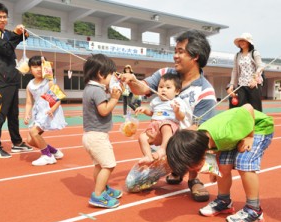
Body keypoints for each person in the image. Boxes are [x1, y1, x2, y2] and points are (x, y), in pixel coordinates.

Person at [120, 29, 217, 202]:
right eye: (175, 51)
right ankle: (176, 169)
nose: (175, 56)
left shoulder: (206, 91)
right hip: (162, 140)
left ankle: (193, 178)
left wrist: (172, 146)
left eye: (180, 52)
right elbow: (143, 88)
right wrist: (133, 81)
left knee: (201, 138)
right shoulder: (165, 74)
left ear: (195, 56)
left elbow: (201, 130)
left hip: (183, 144)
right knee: (134, 183)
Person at [166, 104, 273, 222]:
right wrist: (214, 169)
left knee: (244, 162)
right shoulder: (203, 140)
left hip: (257, 126)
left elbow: (248, 108)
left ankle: (254, 210)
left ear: (200, 154)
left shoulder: (226, 133)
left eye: (193, 167)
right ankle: (224, 201)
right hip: (237, 131)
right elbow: (215, 149)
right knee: (223, 166)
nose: (195, 171)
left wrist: (249, 136)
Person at [0, 2, 32, 158]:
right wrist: (15, 34)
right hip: (3, 79)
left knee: (13, 114)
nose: (2, 19)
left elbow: (16, 40)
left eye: (5, 17)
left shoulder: (6, 33)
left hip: (13, 77)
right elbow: (6, 49)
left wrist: (22, 34)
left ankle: (17, 143)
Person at [82, 54, 122, 208]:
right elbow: (104, 110)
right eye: (111, 75)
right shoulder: (97, 90)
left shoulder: (89, 88)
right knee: (109, 165)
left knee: (99, 165)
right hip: (97, 136)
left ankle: (103, 189)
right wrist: (114, 99)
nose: (111, 78)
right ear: (100, 73)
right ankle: (98, 195)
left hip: (90, 135)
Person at [135, 73, 192, 165]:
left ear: (177, 91)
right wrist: (145, 110)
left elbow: (182, 117)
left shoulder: (177, 102)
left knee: (165, 125)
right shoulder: (155, 101)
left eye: (168, 88)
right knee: (141, 137)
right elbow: (153, 113)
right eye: (161, 87)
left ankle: (163, 149)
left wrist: (177, 111)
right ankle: (148, 156)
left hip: (169, 127)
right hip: (154, 127)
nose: (163, 90)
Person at [24, 56, 67, 166]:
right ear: (30, 69)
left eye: (41, 66)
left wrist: (52, 109)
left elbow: (58, 99)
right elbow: (29, 102)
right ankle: (54, 151)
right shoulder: (30, 85)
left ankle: (47, 156)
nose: (38, 69)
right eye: (35, 66)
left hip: (49, 111)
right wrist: (26, 114)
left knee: (33, 132)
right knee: (30, 140)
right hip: (38, 113)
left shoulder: (49, 83)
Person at [226, 33, 265, 112]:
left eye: (244, 40)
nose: (241, 42)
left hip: (254, 85)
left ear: (249, 42)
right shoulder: (237, 55)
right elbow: (235, 71)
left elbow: (261, 66)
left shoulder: (254, 53)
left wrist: (255, 79)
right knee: (241, 108)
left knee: (255, 109)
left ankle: (256, 124)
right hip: (241, 85)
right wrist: (231, 85)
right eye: (240, 41)